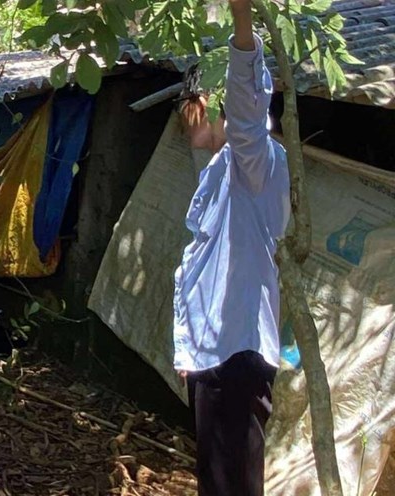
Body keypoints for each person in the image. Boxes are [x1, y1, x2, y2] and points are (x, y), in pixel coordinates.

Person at [172, 1, 291, 495]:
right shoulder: (225, 170)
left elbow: (244, 110)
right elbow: (201, 268)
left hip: (236, 354)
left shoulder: (256, 161)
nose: (187, 114)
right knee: (217, 482)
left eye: (195, 100)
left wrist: (242, 21)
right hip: (214, 354)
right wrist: (188, 351)